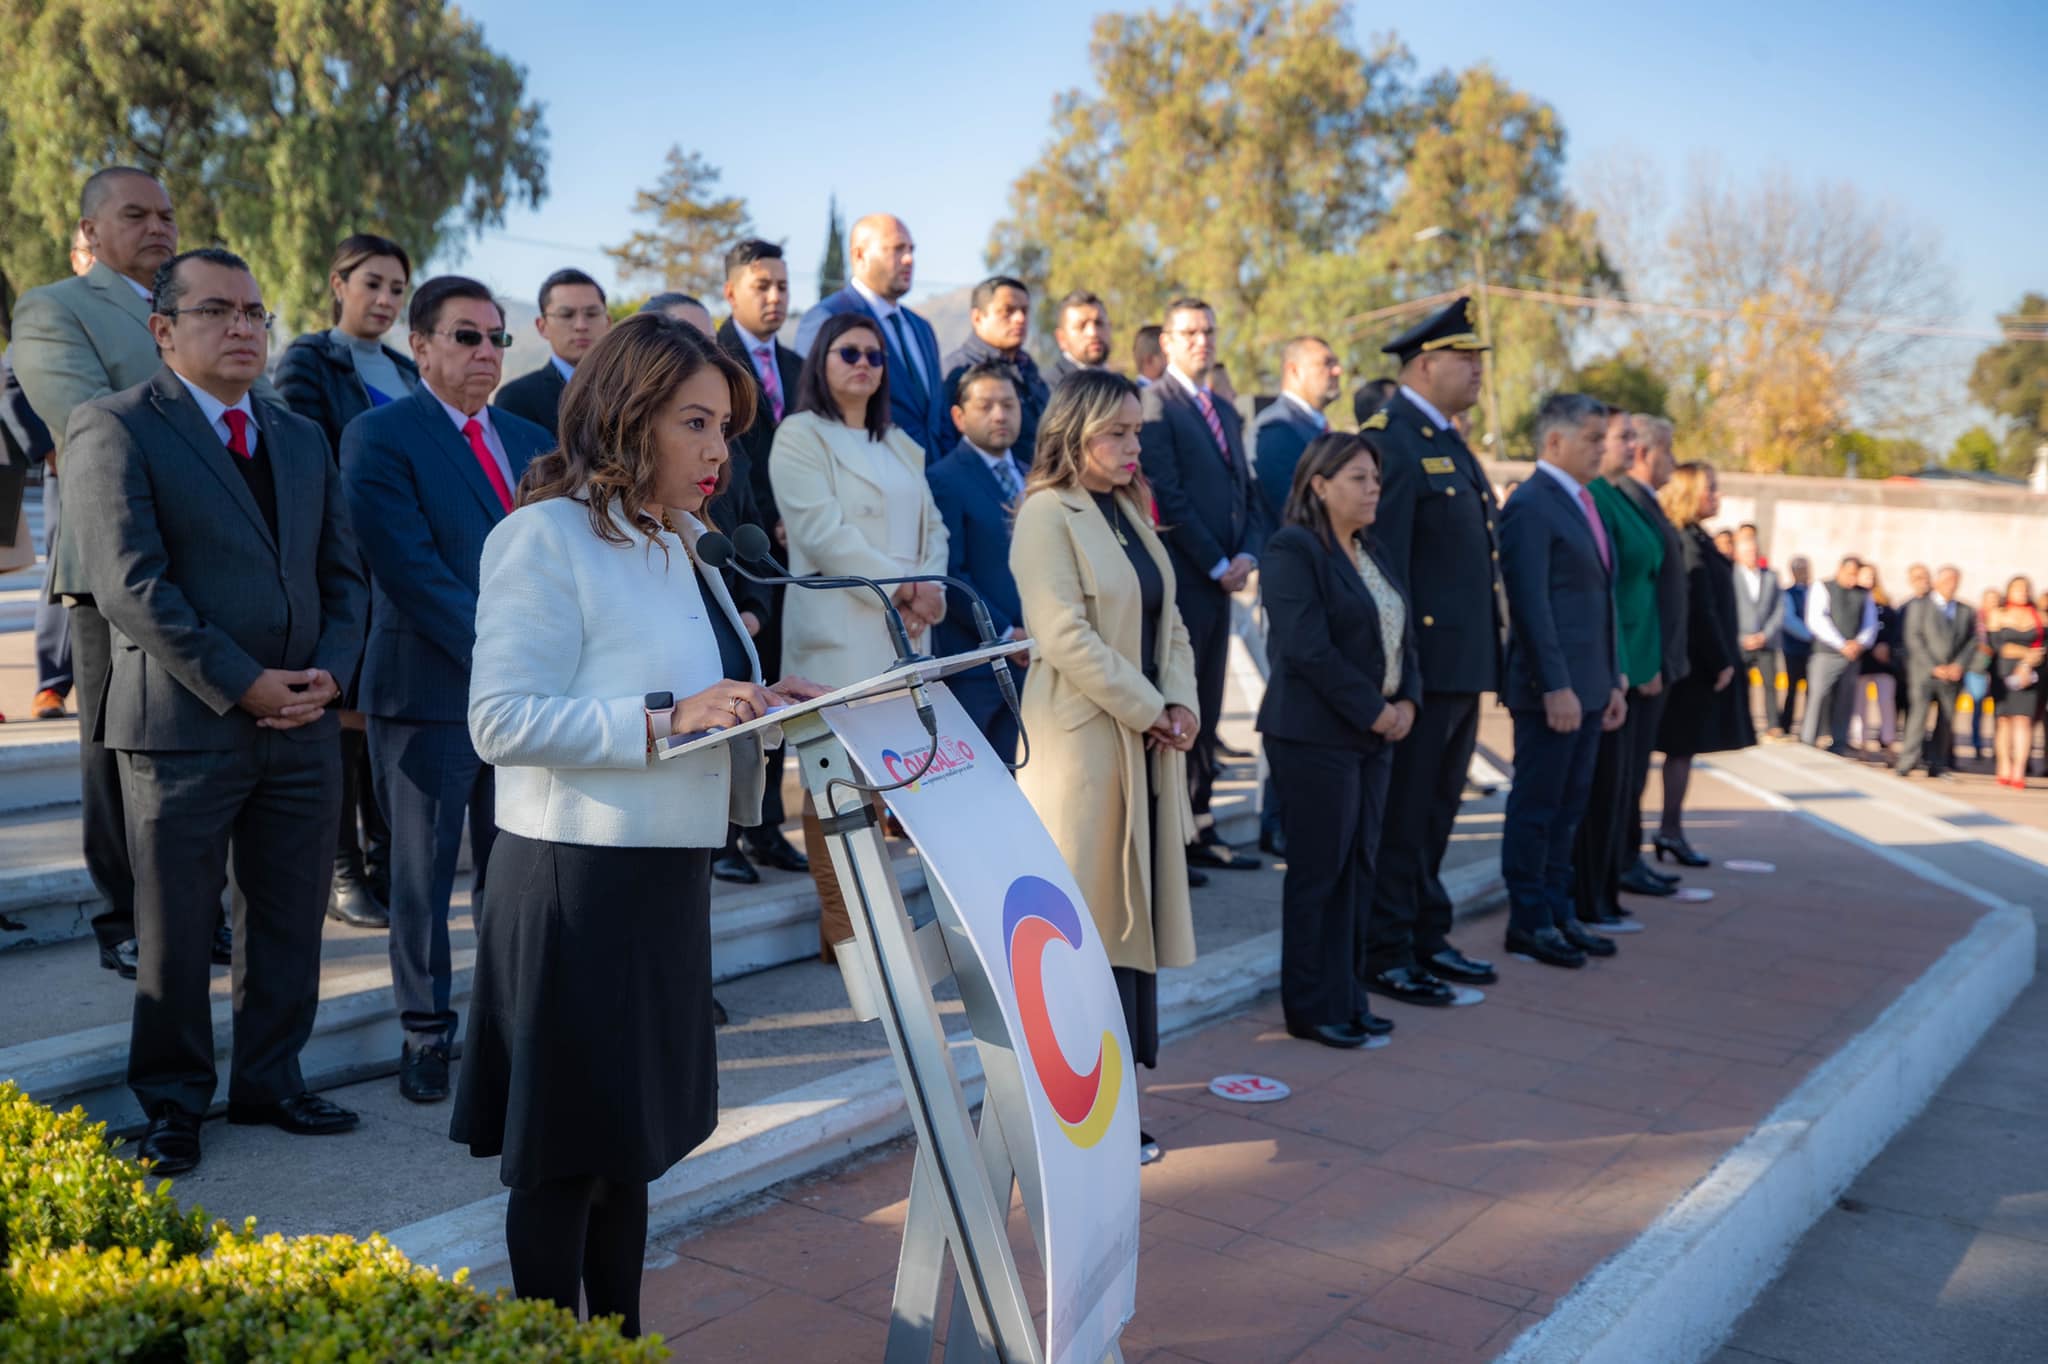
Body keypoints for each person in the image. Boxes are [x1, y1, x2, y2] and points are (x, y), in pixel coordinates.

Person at [453, 312, 820, 1336]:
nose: (718, 452)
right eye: (696, 422)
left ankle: (618, 1342)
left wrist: (761, 696)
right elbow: (499, 719)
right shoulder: (542, 535)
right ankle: (544, 1343)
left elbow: (695, 696)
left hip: (662, 871)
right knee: (569, 1157)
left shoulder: (683, 542)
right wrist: (670, 719)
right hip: (575, 875)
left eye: (726, 428)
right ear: (627, 415)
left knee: (630, 1146)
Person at [67, 246, 369, 1174]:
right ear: (164, 330)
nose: (242, 327)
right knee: (177, 929)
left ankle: (272, 1080)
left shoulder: (300, 436)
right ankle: (172, 1105)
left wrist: (327, 673)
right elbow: (130, 585)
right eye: (216, 311)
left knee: (286, 918)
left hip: (304, 725)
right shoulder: (113, 427)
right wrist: (244, 682)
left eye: (254, 312)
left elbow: (344, 578)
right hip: (184, 726)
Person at [9, 167, 250, 980]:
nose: (159, 226)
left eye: (168, 214)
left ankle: (195, 911)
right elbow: (86, 426)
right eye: (136, 213)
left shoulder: (205, 304)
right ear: (89, 230)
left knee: (203, 752)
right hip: (119, 560)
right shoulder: (55, 308)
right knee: (117, 754)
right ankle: (125, 918)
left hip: (222, 561)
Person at [340, 276, 553, 1105]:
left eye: (497, 338)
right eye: (466, 337)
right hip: (430, 689)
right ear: (420, 346)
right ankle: (424, 1030)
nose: (486, 353)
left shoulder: (533, 438)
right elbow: (412, 569)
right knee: (422, 872)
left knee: (514, 868)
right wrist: (511, 654)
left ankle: (506, 1020)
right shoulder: (378, 436)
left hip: (527, 699)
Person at [1011, 369, 1197, 1164]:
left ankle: (1113, 1108)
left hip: (1142, 744)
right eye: (1115, 432)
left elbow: (1172, 622)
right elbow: (1064, 636)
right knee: (1087, 936)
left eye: (1137, 432)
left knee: (1129, 930)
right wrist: (1151, 708)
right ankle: (1072, 1115)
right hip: (1084, 750)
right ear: (1074, 433)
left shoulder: (1128, 511)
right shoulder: (1048, 514)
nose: (1131, 446)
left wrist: (1181, 702)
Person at [770, 311, 948, 957]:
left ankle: (880, 921)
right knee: (836, 786)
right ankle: (845, 928)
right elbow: (821, 534)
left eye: (875, 355)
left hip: (906, 632)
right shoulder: (799, 435)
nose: (864, 364)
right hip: (841, 631)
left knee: (888, 783)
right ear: (822, 360)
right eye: (849, 352)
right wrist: (903, 588)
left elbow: (936, 531)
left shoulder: (899, 442)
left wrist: (930, 594)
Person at [1360, 298, 1503, 1004]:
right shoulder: (1394, 441)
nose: (1478, 369)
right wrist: (1401, 676)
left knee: (1438, 810)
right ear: (1424, 364)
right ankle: (1386, 951)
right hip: (1420, 670)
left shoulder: (1446, 438)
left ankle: (1425, 934)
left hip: (1461, 666)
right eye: (1464, 357)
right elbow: (1390, 571)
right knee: (1407, 815)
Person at [277, 232, 421, 932]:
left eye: (397, 288)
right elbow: (306, 456)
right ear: (338, 284)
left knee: (384, 718)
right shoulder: (309, 358)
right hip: (342, 563)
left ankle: (390, 860)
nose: (386, 299)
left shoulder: (404, 366)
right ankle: (342, 874)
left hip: (401, 565)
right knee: (346, 720)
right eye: (373, 283)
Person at [1257, 427, 1417, 1045]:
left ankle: (1348, 996)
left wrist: (1407, 702)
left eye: (1376, 478)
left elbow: (1402, 634)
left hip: (1374, 735)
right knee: (1319, 873)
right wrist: (1375, 711)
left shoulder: (1370, 550)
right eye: (1359, 478)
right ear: (1320, 485)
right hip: (1314, 736)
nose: (1373, 488)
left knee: (1360, 868)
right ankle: (1312, 1006)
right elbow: (1308, 649)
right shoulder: (1292, 549)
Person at [1138, 297, 1267, 873]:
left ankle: (1202, 823)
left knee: (1210, 708)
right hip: (1186, 581)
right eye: (1188, 332)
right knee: (1181, 706)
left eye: (1209, 331)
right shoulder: (1154, 405)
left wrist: (1246, 552)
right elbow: (1167, 493)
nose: (1201, 341)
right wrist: (1216, 562)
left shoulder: (1222, 407)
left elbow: (1246, 490)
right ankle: (1173, 838)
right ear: (1166, 342)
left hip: (1224, 578)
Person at [1497, 394, 1626, 970]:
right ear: (1555, 441)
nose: (1603, 448)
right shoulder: (1531, 503)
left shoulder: (1581, 501)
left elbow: (1599, 597)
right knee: (1539, 805)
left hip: (1592, 686)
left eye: (1605, 438)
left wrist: (1614, 678)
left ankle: (1558, 910)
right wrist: (1555, 685)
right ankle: (1529, 919)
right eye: (1593, 439)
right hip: (1554, 691)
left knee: (1570, 806)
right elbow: (1530, 604)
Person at [1570, 411, 1664, 934]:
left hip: (1632, 656)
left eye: (1633, 437)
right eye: (1621, 437)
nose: (1632, 446)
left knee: (1619, 785)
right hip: (1613, 660)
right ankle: (1589, 896)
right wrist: (1623, 668)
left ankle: (1603, 892)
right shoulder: (1597, 499)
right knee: (1598, 790)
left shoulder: (1618, 496)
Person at [1653, 463, 1755, 865]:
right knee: (1680, 747)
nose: (1718, 495)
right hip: (1693, 664)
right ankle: (1669, 831)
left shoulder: (1695, 536)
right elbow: (1701, 605)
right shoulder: (1687, 540)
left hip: (1695, 660)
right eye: (1711, 488)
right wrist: (1720, 658)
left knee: (1683, 750)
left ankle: (1670, 830)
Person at [927, 362, 1030, 759]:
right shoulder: (945, 479)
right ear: (959, 416)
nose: (1000, 414)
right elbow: (951, 572)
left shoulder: (1032, 475)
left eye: (1008, 404)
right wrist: (1004, 634)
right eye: (986, 405)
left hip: (1035, 657)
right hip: (976, 666)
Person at [11, 230, 93, 722]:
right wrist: (48, 447)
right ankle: (52, 684)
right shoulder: (53, 308)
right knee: (64, 571)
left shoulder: (153, 307)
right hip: (73, 460)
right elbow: (13, 381)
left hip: (144, 462)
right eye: (91, 252)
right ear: (77, 257)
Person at [794, 214, 946, 453]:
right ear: (859, 255)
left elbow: (936, 414)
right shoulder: (827, 317)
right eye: (896, 249)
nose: (908, 259)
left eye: (911, 249)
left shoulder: (921, 328)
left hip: (933, 483)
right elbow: (818, 407)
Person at [941, 275, 1050, 460]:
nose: (1020, 319)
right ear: (977, 318)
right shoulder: (958, 371)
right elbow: (945, 441)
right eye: (1008, 311)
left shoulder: (1028, 368)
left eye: (1024, 311)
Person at [494, 268, 612, 437]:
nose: (581, 325)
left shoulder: (633, 389)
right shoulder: (517, 398)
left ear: (608, 322)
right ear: (542, 326)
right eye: (566, 315)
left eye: (592, 314)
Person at [1251, 335, 1342, 522]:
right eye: (1326, 363)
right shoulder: (1277, 427)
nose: (1337, 371)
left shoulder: (1315, 425)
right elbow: (1290, 509)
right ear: (1293, 370)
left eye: (1336, 363)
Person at [1897, 566, 1973, 779]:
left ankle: (1938, 764)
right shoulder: (1919, 606)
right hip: (1924, 673)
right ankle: (1907, 761)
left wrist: (1958, 665)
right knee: (1918, 717)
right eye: (1947, 580)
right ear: (1937, 582)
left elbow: (1971, 642)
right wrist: (1933, 666)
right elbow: (1913, 638)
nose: (1952, 585)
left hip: (1952, 676)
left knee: (1946, 721)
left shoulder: (1965, 611)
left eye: (1955, 581)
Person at [1800, 555, 1877, 752]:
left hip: (1852, 656)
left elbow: (1870, 623)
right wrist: (1841, 644)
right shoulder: (1823, 587)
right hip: (1826, 653)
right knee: (1818, 696)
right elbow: (1816, 620)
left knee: (1845, 700)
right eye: (1849, 573)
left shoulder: (1864, 594)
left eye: (1855, 574)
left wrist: (1859, 643)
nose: (1852, 578)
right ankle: (1808, 740)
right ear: (1840, 570)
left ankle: (1839, 742)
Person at [1987, 576, 2043, 790]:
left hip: (2030, 673)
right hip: (2004, 672)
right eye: (2017, 588)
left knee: (2023, 721)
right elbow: (1999, 646)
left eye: (2025, 589)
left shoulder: (2039, 617)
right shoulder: (1998, 615)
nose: (2022, 592)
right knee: (2004, 721)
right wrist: (2027, 653)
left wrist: (2028, 663)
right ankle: (2004, 765)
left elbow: (2042, 647)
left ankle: (2019, 770)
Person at [1731, 525, 1784, 740]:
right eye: (1746, 552)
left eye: (1754, 551)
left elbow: (1779, 608)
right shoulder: (1732, 575)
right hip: (1741, 640)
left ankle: (1773, 724)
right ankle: (1742, 723)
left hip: (1765, 640)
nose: (1751, 555)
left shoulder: (1770, 576)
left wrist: (1765, 634)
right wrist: (1740, 637)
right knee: (1741, 684)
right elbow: (1729, 608)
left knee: (1770, 685)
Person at [1851, 563, 1903, 753]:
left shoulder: (1885, 604)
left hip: (1883, 662)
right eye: (1865, 577)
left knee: (1886, 702)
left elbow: (1895, 629)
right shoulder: (1854, 600)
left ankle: (1888, 739)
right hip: (1862, 659)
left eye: (1871, 577)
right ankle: (1860, 741)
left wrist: (1886, 646)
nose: (1869, 581)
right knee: (1860, 704)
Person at [1778, 556, 1815, 737]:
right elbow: (1789, 620)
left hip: (1812, 650)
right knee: (1792, 688)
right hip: (1794, 648)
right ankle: (1786, 723)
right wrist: (1810, 635)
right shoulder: (1788, 594)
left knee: (1812, 690)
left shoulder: (1815, 591)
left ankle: (1809, 727)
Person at [1966, 586, 2001, 760]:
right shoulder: (1976, 618)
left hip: (1998, 669)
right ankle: (1977, 745)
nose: (1993, 603)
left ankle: (1998, 746)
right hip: (1977, 669)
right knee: (1978, 706)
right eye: (1990, 599)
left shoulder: (2003, 618)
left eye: (1996, 599)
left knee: (1999, 711)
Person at [1050, 289, 1113, 384]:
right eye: (1081, 326)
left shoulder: (1125, 388)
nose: (1093, 333)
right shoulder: (1046, 390)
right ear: (1061, 338)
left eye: (1099, 323)